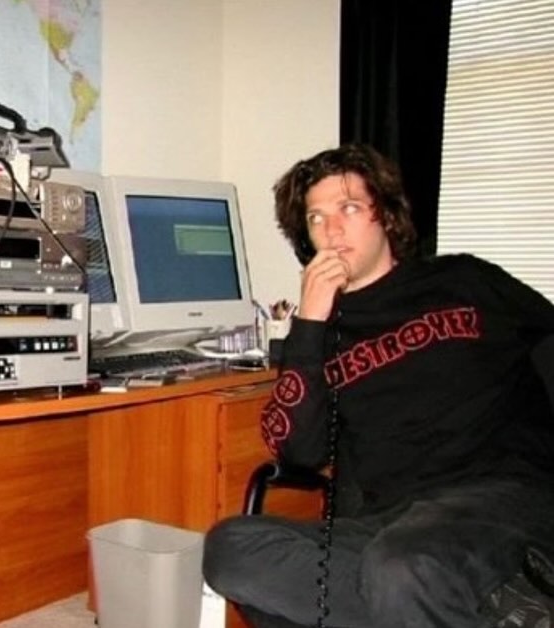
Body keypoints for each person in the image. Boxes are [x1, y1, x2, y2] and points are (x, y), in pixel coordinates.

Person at [202, 143, 554, 628]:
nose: (332, 230)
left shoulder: (464, 280)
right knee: (229, 551)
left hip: (501, 494)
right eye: (316, 218)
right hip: (388, 522)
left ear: (385, 215)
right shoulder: (319, 333)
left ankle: (438, 596)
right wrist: (311, 321)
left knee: (402, 568)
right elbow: (297, 452)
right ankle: (456, 605)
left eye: (348, 208)